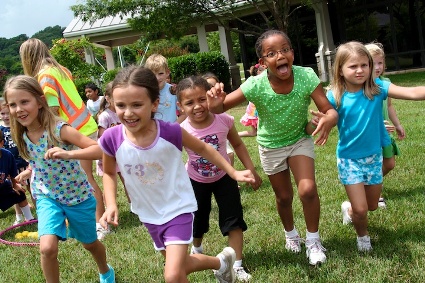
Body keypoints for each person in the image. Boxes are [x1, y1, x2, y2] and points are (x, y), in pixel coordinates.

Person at [98, 66, 256, 283]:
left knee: (173, 275)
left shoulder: (170, 131)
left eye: (136, 105)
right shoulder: (111, 138)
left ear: (154, 104)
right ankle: (221, 262)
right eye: (121, 105)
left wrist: (233, 172)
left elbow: (204, 149)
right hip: (149, 214)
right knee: (181, 266)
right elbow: (108, 172)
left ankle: (221, 263)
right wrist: (111, 204)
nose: (128, 112)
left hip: (178, 208)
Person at [207, 29, 338, 266]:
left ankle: (313, 241)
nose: (280, 55)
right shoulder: (255, 85)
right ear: (263, 62)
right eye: (271, 53)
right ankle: (291, 235)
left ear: (292, 54)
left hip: (299, 139)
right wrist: (215, 101)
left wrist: (330, 118)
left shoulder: (306, 76)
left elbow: (328, 109)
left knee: (307, 190)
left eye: (285, 49)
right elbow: (219, 107)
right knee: (284, 197)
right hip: (271, 146)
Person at [3, 75, 115, 283]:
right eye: (12, 104)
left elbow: (99, 150)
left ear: (39, 101)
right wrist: (29, 171)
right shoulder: (21, 134)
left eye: (24, 102)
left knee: (90, 243)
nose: (18, 109)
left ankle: (105, 270)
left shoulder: (58, 129)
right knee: (47, 248)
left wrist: (69, 154)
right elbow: (37, 158)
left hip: (77, 196)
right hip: (47, 197)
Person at [325, 41, 425, 252]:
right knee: (362, 210)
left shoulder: (377, 88)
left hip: (374, 157)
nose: (360, 70)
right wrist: (321, 122)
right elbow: (326, 118)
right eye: (353, 66)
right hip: (349, 159)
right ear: (340, 70)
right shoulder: (334, 96)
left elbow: (413, 92)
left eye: (364, 65)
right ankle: (363, 238)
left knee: (370, 206)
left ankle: (349, 210)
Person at [19, 38, 110, 240]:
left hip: (74, 131)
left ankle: (101, 223)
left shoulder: (44, 77)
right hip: (84, 124)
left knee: (87, 179)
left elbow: (51, 109)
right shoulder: (60, 69)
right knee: (86, 177)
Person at [177, 76, 262, 282]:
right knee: (198, 221)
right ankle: (197, 247)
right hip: (195, 181)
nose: (197, 106)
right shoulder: (181, 130)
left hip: (225, 178)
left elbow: (239, 145)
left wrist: (251, 170)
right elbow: (171, 158)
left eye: (202, 99)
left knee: (234, 221)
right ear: (180, 106)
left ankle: (237, 265)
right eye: (189, 103)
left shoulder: (224, 120)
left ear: (210, 97)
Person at [365, 42, 406, 209]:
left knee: (389, 164)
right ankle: (375, 192)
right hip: (369, 134)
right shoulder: (361, 87)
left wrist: (397, 124)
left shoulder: (385, 83)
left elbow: (389, 106)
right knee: (374, 163)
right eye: (372, 63)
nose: (377, 67)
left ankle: (370, 184)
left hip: (385, 132)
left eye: (380, 63)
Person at [0, 101, 36, 224]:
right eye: (2, 113)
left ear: (1, 143)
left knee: (21, 189)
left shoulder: (7, 155)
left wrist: (15, 185)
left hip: (21, 165)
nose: (5, 116)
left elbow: (13, 176)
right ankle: (18, 216)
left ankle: (30, 217)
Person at [96, 82, 130, 204]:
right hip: (109, 155)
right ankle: (110, 207)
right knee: (111, 183)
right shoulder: (105, 116)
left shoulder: (123, 113)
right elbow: (102, 136)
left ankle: (135, 205)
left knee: (128, 181)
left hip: (122, 153)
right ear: (108, 98)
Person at [202, 72, 236, 167]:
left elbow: (237, 144)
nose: (211, 89)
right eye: (207, 86)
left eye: (213, 86)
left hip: (219, 138)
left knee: (229, 153)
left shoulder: (223, 116)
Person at [144, 54, 181, 123]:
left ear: (167, 72)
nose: (157, 78)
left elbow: (183, 114)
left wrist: (173, 127)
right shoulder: (145, 93)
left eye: (160, 73)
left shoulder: (174, 91)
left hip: (170, 132)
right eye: (153, 74)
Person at [238, 64, 266, 138]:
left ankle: (233, 135)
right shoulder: (259, 82)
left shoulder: (255, 81)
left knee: (254, 132)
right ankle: (232, 135)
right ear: (259, 72)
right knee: (257, 132)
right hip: (256, 111)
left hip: (253, 110)